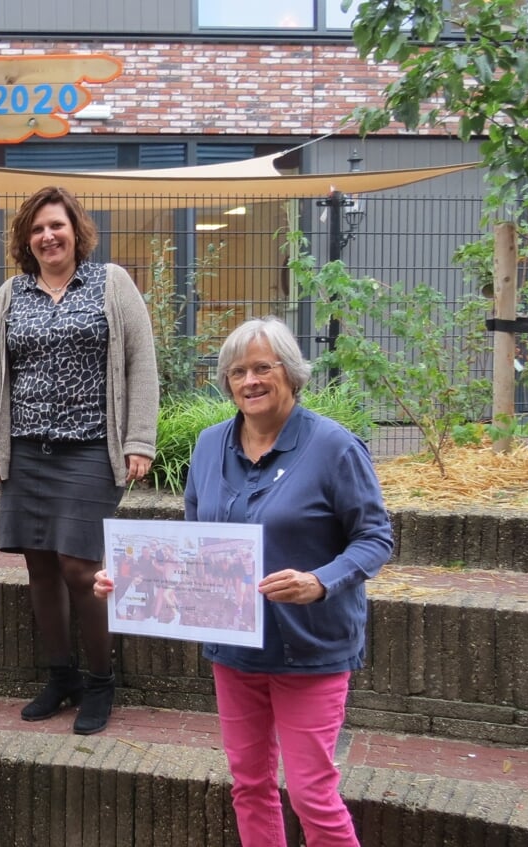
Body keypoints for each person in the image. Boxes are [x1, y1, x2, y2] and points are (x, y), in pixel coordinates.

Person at [95, 317, 392, 846]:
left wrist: (319, 581)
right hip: (234, 647)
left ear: (291, 374)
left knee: (311, 794)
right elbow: (194, 544)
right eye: (237, 371)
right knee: (250, 785)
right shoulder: (210, 446)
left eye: (262, 368)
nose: (249, 381)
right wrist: (132, 578)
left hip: (310, 647)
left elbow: (375, 538)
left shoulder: (334, 447)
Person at [0, 185, 159, 735]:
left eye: (56, 225)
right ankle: (62, 677)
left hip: (89, 451)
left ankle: (101, 681)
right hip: (27, 449)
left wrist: (139, 440)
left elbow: (141, 361)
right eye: (36, 229)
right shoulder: (12, 294)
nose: (47, 236)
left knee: (81, 567)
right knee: (40, 567)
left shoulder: (110, 283)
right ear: (25, 241)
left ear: (76, 230)